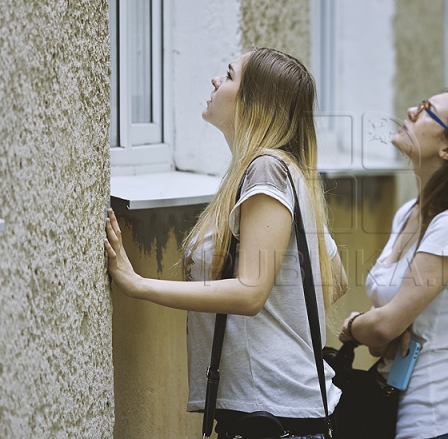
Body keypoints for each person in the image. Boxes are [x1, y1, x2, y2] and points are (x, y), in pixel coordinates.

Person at [104, 47, 348, 438]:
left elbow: (250, 293)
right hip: (277, 415)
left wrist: (139, 286)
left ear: (255, 103)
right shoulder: (286, 170)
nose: (216, 81)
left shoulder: (266, 171)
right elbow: (335, 278)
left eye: (229, 75)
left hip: (272, 418)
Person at [338, 89, 448, 439]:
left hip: (438, 418)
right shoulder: (411, 211)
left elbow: (386, 326)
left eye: (426, 111)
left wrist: (353, 325)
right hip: (396, 408)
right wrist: (377, 331)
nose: (410, 110)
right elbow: (385, 336)